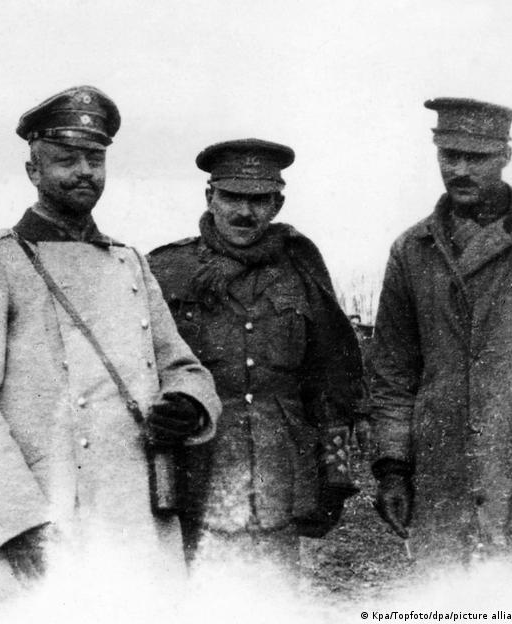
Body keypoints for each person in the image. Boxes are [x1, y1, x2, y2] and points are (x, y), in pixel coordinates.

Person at [0, 85, 221, 622]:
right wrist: (17, 524)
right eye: (66, 159)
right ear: (33, 169)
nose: (84, 171)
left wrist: (188, 403)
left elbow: (182, 365)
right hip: (37, 517)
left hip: (130, 518)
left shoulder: (130, 264)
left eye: (95, 158)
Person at [147, 139, 363, 574]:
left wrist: (337, 473)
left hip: (276, 480)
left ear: (277, 203)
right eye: (232, 197)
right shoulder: (166, 271)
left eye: (259, 200)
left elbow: (331, 381)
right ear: (210, 197)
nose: (244, 213)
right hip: (193, 477)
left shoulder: (300, 273)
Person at [371, 98, 512, 565]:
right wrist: (392, 470)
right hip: (442, 478)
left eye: (476, 158)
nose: (460, 170)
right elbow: (393, 375)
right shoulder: (412, 250)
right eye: (449, 156)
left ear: (506, 154)